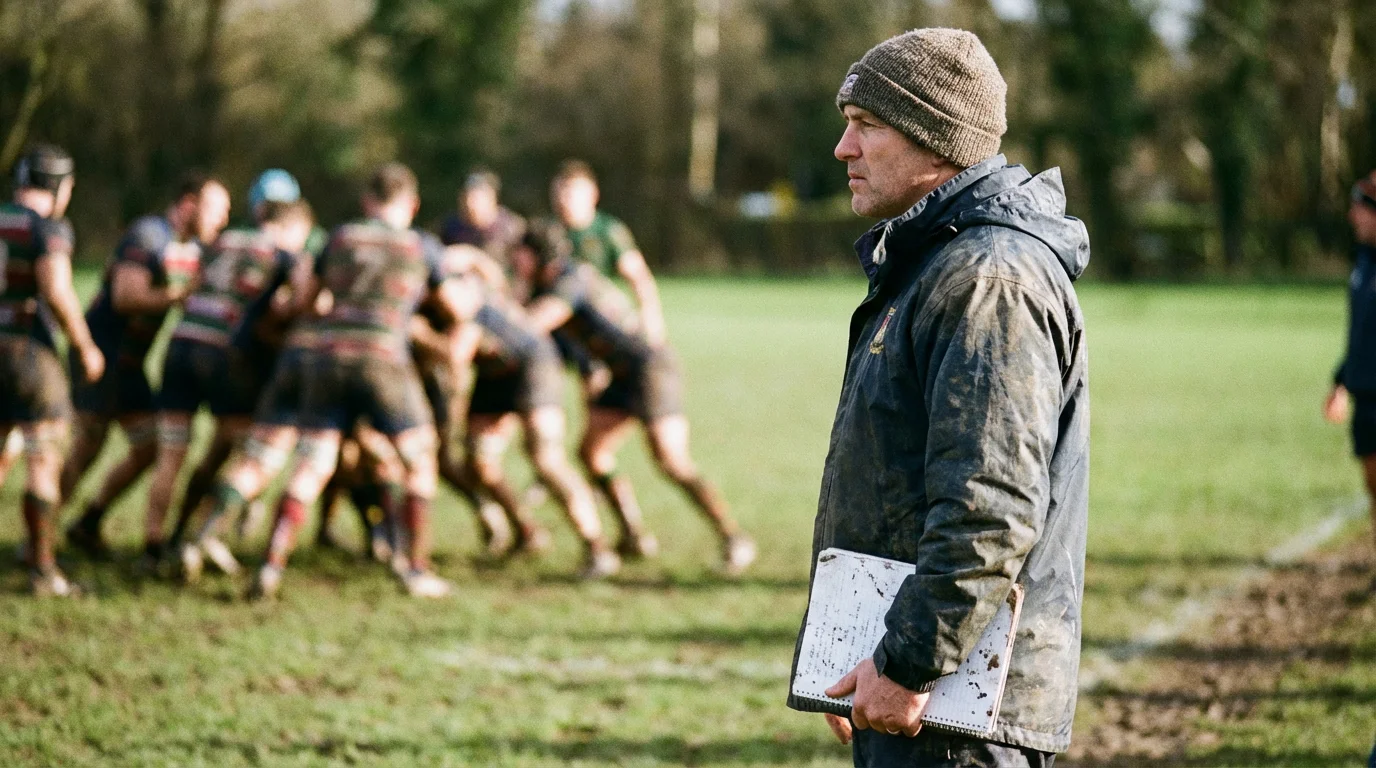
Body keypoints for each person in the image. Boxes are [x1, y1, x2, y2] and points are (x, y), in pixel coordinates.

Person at [785, 29, 1090, 767]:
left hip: (954, 716)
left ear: (935, 140)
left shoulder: (989, 279)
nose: (842, 148)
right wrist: (867, 653)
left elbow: (989, 505)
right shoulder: (941, 260)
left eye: (867, 125)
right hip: (926, 695)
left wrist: (907, 663)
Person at [248, 162, 467, 600]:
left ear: (368, 202)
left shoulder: (341, 237)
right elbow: (455, 308)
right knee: (420, 460)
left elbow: (307, 299)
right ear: (412, 204)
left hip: (328, 359)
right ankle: (416, 569)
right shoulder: (418, 245)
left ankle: (271, 567)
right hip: (385, 360)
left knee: (311, 463)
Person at [523, 220, 756, 574]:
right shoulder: (557, 279)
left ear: (539, 256)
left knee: (672, 461)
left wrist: (492, 318)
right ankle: (632, 533)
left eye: (519, 256)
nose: (515, 263)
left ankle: (734, 538)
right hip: (620, 373)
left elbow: (537, 322)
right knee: (591, 452)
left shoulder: (568, 279)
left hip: (650, 367)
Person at [63, 172, 230, 565]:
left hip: (132, 366)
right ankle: (40, 541)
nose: (222, 220)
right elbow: (126, 296)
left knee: (150, 447)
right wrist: (180, 295)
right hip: (100, 357)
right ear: (188, 204)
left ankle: (89, 520)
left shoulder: (191, 250)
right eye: (216, 210)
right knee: (88, 447)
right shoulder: (149, 235)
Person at [149, 199, 314, 581]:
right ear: (292, 227)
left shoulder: (222, 241)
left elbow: (191, 286)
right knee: (248, 450)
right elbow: (302, 299)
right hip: (222, 352)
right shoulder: (282, 251)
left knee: (172, 455)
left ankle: (156, 544)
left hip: (180, 344)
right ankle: (210, 531)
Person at [457, 272, 621, 578]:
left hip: (533, 362)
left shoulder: (438, 281)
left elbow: (457, 351)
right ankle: (527, 531)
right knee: (479, 463)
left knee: (547, 459)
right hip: (493, 373)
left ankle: (597, 548)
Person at [0, 144, 105, 595]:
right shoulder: (49, 228)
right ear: (60, 187)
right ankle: (42, 568)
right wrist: (84, 346)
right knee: (44, 455)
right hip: (26, 350)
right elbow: (57, 289)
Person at [1325, 171, 1376, 567]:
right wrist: (1341, 382)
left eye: (1359, 209)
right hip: (1364, 395)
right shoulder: (1363, 264)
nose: (1352, 216)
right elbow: (1359, 333)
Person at [440, 170, 530, 300]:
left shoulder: (514, 229)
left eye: (476, 197)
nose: (470, 203)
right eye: (466, 196)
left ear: (492, 197)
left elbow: (524, 277)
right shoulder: (452, 228)